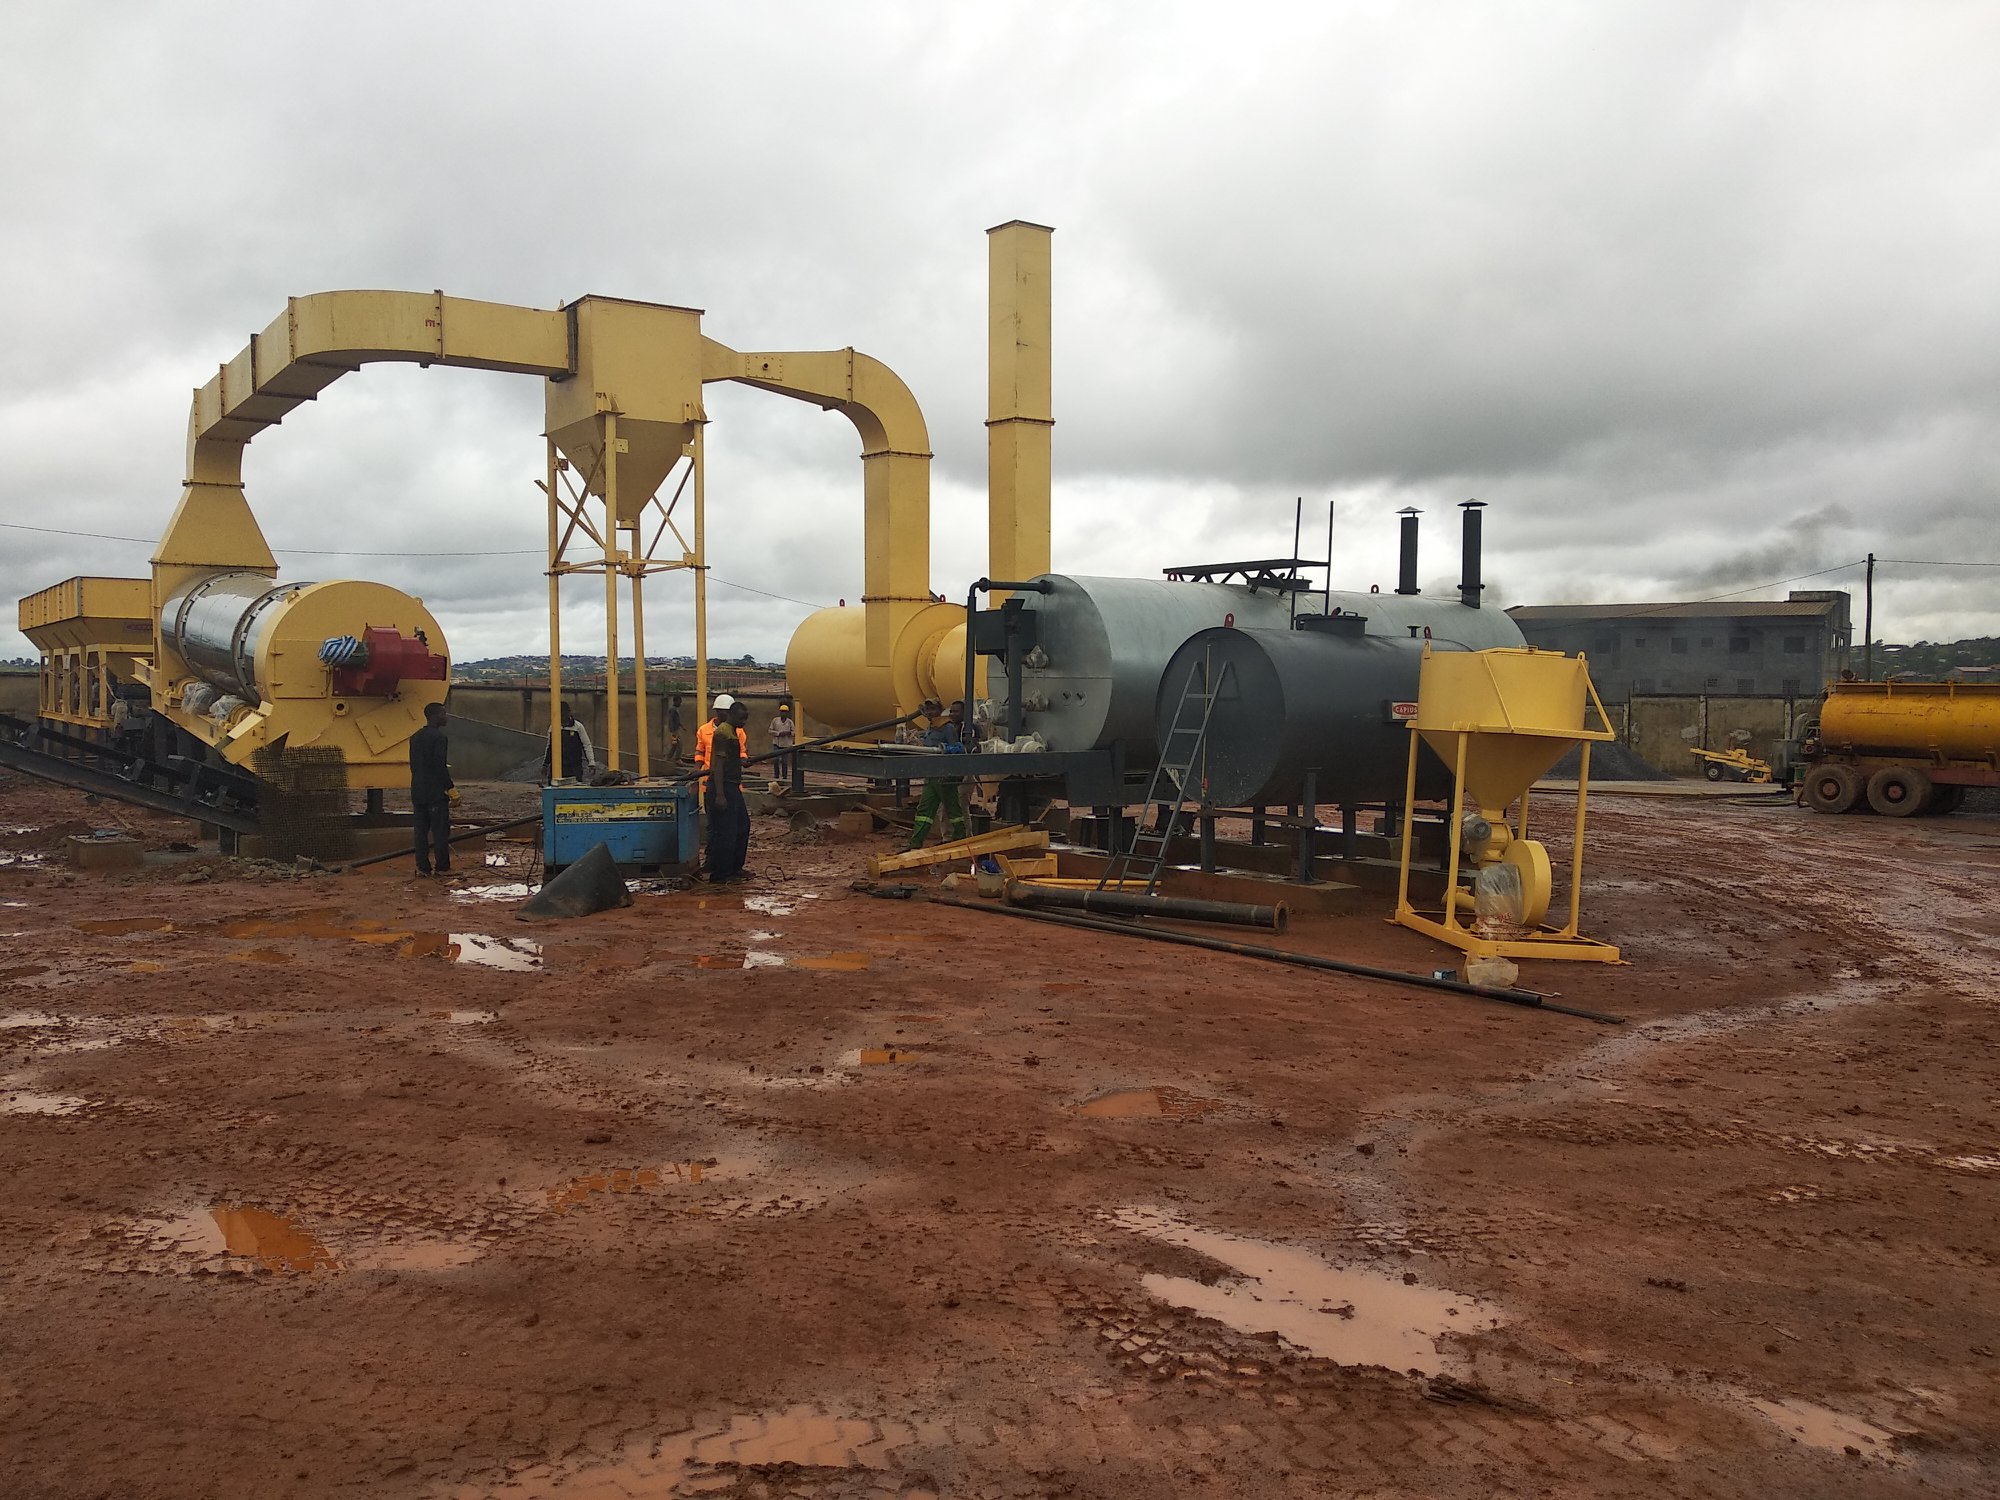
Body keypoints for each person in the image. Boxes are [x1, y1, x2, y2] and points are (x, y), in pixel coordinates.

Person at [906, 700, 971, 850]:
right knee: (924, 810)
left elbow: (958, 749)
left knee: (953, 811)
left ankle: (960, 841)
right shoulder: (931, 728)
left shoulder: (947, 728)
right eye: (928, 709)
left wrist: (945, 748)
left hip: (944, 776)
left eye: (933, 709)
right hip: (931, 775)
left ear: (940, 710)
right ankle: (915, 843)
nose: (930, 712)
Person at [705, 698, 752, 882]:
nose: (744, 722)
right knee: (726, 832)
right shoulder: (723, 734)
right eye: (741, 718)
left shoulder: (732, 732)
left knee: (742, 826)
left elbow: (728, 759)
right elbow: (718, 765)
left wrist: (740, 762)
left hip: (732, 786)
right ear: (731, 715)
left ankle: (734, 868)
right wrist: (720, 794)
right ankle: (720, 874)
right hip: (724, 787)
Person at [408, 701, 458, 877]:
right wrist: (450, 788)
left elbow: (414, 766)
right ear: (434, 716)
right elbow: (439, 766)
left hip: (418, 790)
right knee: (440, 832)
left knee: (420, 833)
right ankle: (442, 868)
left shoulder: (415, 737)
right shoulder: (439, 738)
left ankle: (423, 868)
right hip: (435, 793)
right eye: (443, 713)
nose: (446, 717)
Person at [541, 701, 597, 783]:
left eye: (563, 714)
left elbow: (586, 745)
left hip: (574, 768)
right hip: (557, 768)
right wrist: (545, 764)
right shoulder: (553, 727)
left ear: (568, 712)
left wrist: (591, 763)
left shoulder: (578, 727)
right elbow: (550, 747)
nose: (562, 717)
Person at [768, 701, 796, 780]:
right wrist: (778, 733)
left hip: (786, 744)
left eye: (785, 712)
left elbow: (794, 732)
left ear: (787, 713)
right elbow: (770, 730)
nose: (783, 713)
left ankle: (784, 776)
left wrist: (789, 733)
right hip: (776, 743)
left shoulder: (790, 722)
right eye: (782, 711)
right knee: (776, 759)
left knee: (784, 761)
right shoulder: (775, 720)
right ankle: (776, 775)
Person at [667, 694, 685, 764]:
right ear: (675, 701)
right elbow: (671, 720)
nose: (680, 703)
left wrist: (682, 726)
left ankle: (668, 757)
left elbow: (676, 720)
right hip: (675, 730)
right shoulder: (673, 709)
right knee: (679, 744)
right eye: (679, 702)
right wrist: (673, 731)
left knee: (675, 744)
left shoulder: (676, 709)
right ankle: (677, 759)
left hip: (676, 729)